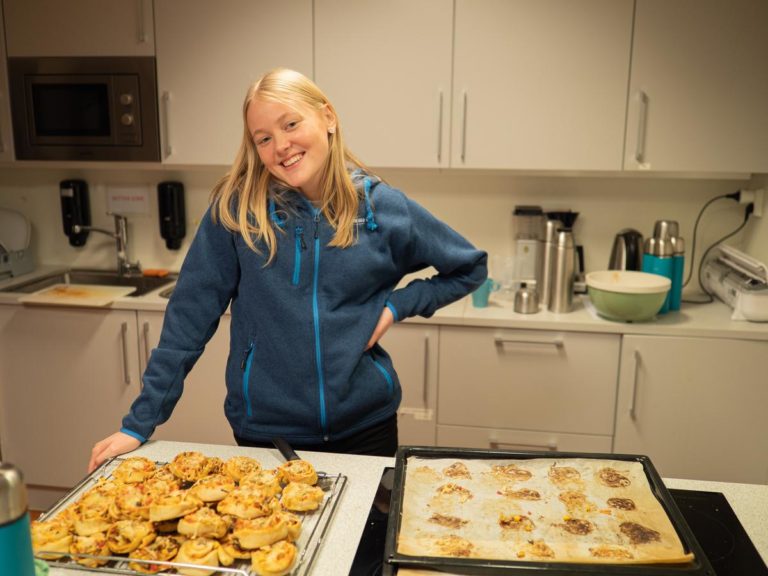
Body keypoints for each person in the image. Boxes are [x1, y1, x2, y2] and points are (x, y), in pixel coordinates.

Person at [88, 68, 487, 471]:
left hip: (367, 426)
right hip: (266, 432)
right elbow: (187, 320)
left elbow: (469, 267)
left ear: (327, 117)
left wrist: (396, 306)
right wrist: (139, 425)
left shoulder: (381, 209)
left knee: (366, 535)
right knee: (273, 534)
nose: (281, 146)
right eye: (263, 138)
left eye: (291, 124)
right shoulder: (237, 213)